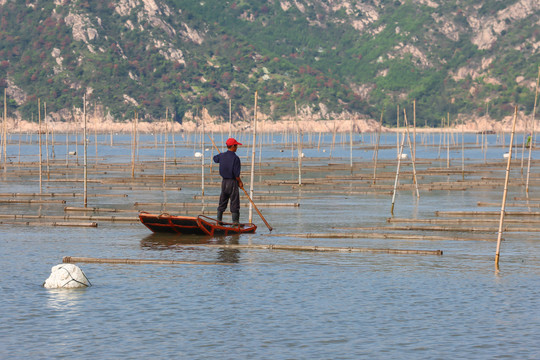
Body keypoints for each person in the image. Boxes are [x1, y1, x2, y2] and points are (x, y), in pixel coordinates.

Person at [213, 138, 244, 225]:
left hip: (224, 183)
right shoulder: (236, 158)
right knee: (234, 202)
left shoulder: (222, 156)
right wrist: (240, 183)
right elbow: (236, 175)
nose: (237, 147)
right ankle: (235, 223)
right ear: (233, 146)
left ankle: (218, 222)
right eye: (236, 145)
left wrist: (221, 156)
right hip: (232, 182)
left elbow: (215, 159)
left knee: (222, 201)